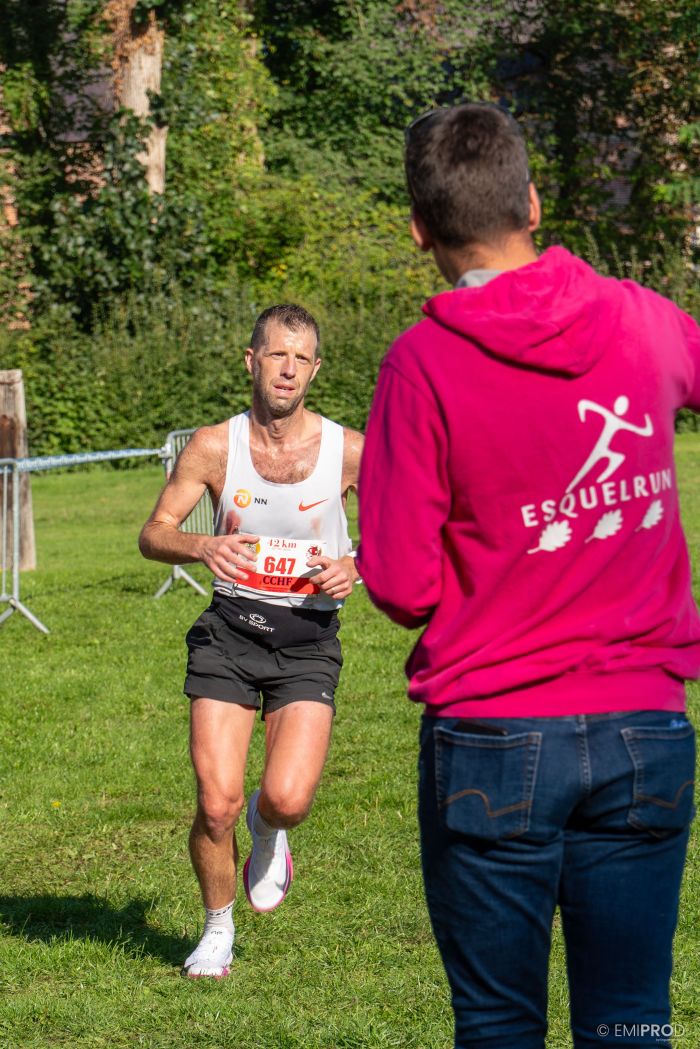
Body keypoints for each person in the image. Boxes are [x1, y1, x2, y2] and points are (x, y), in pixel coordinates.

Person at [356, 102, 700, 1049]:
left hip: (496, 732)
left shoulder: (422, 365)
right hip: (645, 726)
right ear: (535, 202)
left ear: (419, 228)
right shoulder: (646, 319)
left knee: (501, 1024)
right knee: (630, 1021)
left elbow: (398, 582)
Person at [139, 303, 362, 978]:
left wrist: (358, 562)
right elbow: (153, 533)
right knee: (215, 801)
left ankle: (270, 831)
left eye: (300, 358)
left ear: (315, 369)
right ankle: (216, 927)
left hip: (307, 640)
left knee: (287, 798)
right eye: (275, 355)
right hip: (228, 634)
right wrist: (202, 543)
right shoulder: (213, 445)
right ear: (251, 361)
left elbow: (403, 530)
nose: (288, 369)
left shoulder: (350, 449)